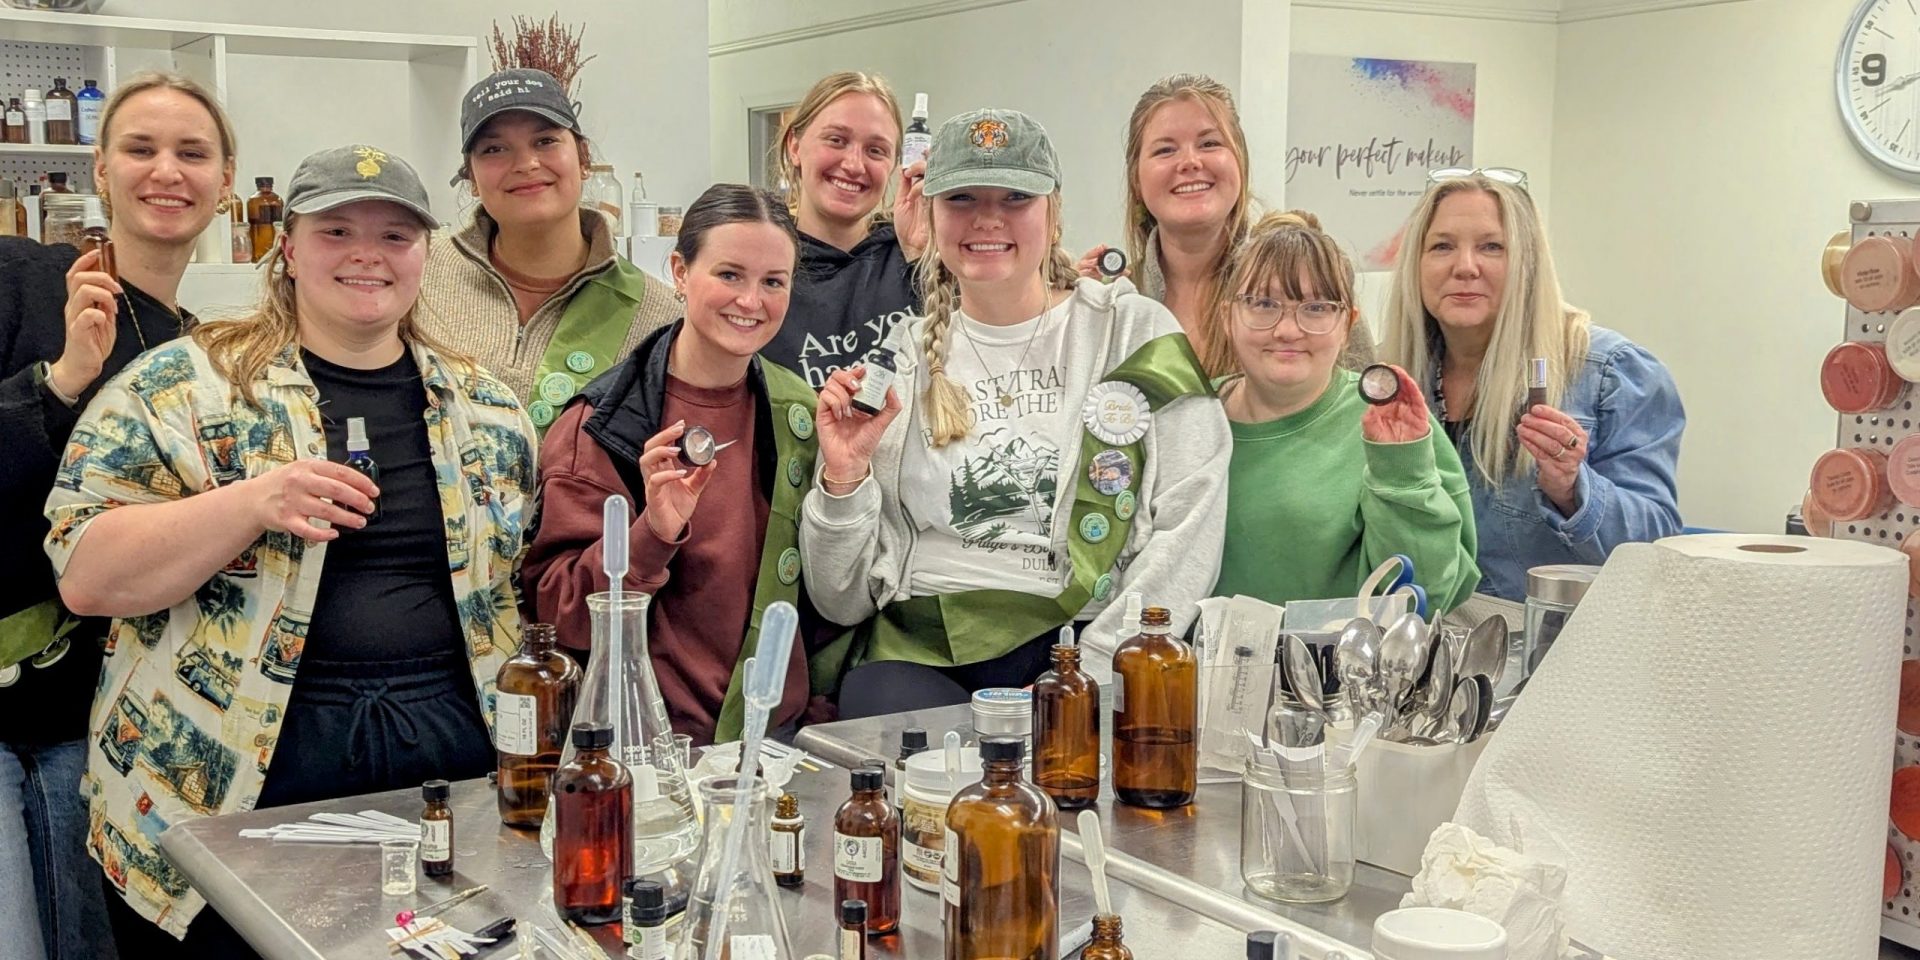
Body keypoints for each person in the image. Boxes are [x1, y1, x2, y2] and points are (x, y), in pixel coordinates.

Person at [43, 145, 536, 954]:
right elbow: (88, 577)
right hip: (231, 790)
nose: (367, 254)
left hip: (453, 788)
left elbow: (515, 595)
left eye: (395, 235)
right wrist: (252, 502)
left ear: (425, 254)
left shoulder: (487, 408)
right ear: (290, 248)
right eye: (337, 229)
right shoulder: (179, 388)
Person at [800, 108, 1230, 717]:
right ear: (929, 213)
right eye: (963, 198)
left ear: (1053, 212)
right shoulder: (901, 358)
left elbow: (1190, 526)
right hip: (922, 648)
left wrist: (1104, 668)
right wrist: (841, 483)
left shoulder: (1135, 333)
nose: (988, 219)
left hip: (1085, 639)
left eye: (1016, 196)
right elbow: (840, 600)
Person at [0, 70, 235, 960]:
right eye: (140, 149)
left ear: (225, 179)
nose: (165, 171)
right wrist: (60, 382)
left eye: (192, 153)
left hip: (101, 721)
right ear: (99, 169)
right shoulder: (18, 281)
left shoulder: (202, 354)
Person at [524, 184, 835, 744]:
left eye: (773, 282)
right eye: (729, 275)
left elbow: (825, 597)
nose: (751, 302)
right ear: (679, 271)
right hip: (652, 746)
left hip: (775, 737)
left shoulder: (801, 417)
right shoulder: (601, 424)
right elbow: (556, 607)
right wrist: (653, 534)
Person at [1379, 170, 1683, 601]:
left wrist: (1572, 489)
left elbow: (1656, 543)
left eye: (1492, 247)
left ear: (1528, 263)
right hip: (1421, 647)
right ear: (1416, 263)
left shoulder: (1610, 372)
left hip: (1556, 649)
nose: (1465, 267)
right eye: (1442, 246)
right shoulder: (1389, 379)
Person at [1211, 211, 1477, 612]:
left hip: (1343, 670)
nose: (1287, 329)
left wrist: (1400, 473)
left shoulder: (1389, 423)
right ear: (1227, 317)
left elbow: (1427, 597)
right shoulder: (1193, 420)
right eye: (1263, 303)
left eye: (1315, 308)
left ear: (1347, 323)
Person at [419, 67, 679, 431]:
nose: (526, 164)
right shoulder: (418, 275)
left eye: (545, 141)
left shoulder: (657, 315)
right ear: (472, 178)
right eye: (494, 149)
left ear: (583, 157)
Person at [1080, 74, 1374, 376]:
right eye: (1165, 150)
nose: (1190, 162)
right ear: (1136, 180)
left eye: (1209, 143)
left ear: (1241, 164)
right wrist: (1069, 320)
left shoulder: (1310, 276)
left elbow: (1363, 402)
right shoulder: (1110, 301)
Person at [759, 71, 925, 387]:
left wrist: (925, 257)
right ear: (794, 146)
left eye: (876, 150)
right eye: (836, 140)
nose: (853, 164)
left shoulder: (910, 254)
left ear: (894, 164)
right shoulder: (762, 264)